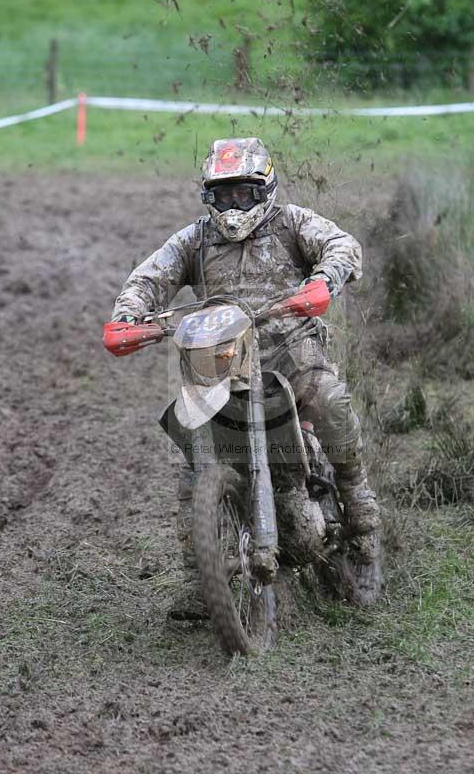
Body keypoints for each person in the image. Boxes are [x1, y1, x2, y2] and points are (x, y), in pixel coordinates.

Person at [111, 137, 382, 610]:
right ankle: (203, 580)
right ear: (209, 196)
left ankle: (359, 509)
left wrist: (322, 282)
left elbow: (342, 245)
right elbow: (148, 278)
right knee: (196, 463)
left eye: (243, 193)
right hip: (220, 361)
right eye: (223, 194)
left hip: (290, 350)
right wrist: (127, 317)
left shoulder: (292, 222)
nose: (234, 203)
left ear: (265, 189)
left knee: (327, 397)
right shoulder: (194, 239)